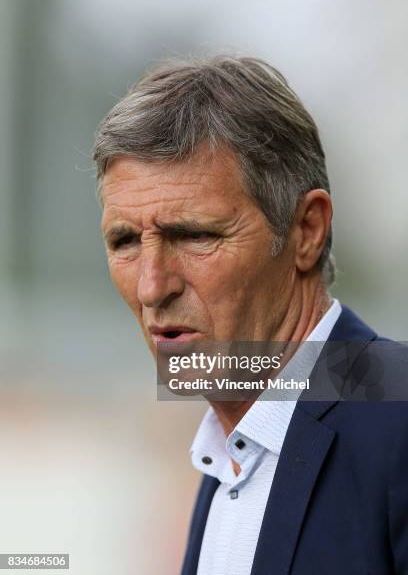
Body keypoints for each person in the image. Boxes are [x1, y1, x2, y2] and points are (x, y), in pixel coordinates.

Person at [93, 56, 408, 574]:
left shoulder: (396, 412)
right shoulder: (230, 450)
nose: (152, 286)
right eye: (125, 241)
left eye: (195, 235)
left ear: (307, 231)